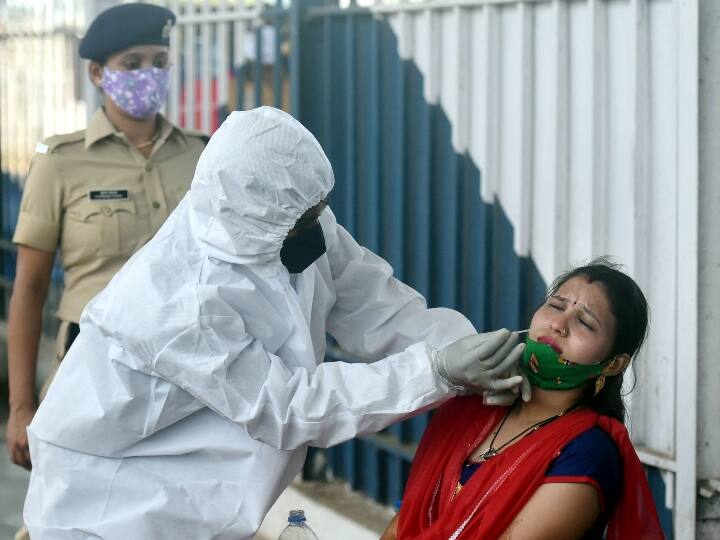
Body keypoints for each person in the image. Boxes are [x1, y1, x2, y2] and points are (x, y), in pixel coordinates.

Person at [22, 106, 525, 539]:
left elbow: (376, 302)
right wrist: (435, 372)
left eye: (319, 209)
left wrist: (472, 353)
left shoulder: (292, 214)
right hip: (110, 508)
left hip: (198, 498)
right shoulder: (176, 304)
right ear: (257, 221)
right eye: (307, 219)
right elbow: (288, 407)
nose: (321, 224)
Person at [5, 2, 207, 472]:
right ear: (97, 74)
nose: (148, 75)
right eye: (131, 64)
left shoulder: (201, 155)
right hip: (89, 372)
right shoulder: (61, 161)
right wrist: (20, 408)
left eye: (158, 62)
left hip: (187, 373)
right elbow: (29, 289)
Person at [382, 259, 664, 539]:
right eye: (556, 305)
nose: (558, 324)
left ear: (613, 365)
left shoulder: (588, 453)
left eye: (585, 322)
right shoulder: (469, 406)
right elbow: (401, 524)